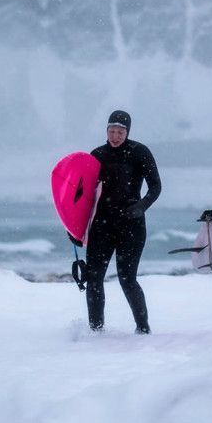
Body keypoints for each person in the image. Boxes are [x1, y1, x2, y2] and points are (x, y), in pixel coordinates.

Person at [83, 110, 161, 334]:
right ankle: (95, 330)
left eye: (120, 131)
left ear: (127, 132)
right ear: (106, 131)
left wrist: (141, 206)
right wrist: (75, 228)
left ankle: (143, 329)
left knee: (127, 279)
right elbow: (84, 195)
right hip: (102, 226)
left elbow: (155, 186)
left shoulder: (139, 152)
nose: (115, 136)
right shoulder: (96, 155)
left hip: (131, 226)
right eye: (111, 131)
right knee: (94, 278)